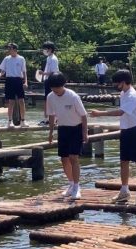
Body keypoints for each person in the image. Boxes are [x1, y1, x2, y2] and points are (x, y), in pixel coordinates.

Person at [89, 69, 136, 205]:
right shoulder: (124, 93)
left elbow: (121, 112)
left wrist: (100, 114)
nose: (116, 86)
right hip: (125, 130)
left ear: (123, 82)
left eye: (117, 83)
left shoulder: (132, 95)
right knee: (124, 161)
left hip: (135, 130)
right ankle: (124, 191)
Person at [47, 72, 88, 200]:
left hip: (75, 128)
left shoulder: (73, 96)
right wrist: (51, 132)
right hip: (62, 128)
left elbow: (84, 115)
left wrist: (84, 132)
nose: (55, 90)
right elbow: (52, 115)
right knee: (64, 159)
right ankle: (70, 184)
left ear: (63, 85)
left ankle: (77, 186)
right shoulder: (50, 97)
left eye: (57, 88)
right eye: (52, 88)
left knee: (73, 158)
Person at [0, 43, 29, 128]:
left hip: (18, 80)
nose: (9, 50)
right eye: (8, 49)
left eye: (10, 48)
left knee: (21, 101)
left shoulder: (21, 58)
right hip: (9, 80)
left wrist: (25, 82)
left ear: (15, 49)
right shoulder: (7, 59)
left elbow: (24, 71)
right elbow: (3, 70)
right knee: (11, 101)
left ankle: (23, 121)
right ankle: (10, 121)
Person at [38, 41, 59, 126]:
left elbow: (54, 72)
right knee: (47, 100)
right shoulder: (48, 58)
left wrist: (43, 73)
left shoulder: (53, 59)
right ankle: (47, 119)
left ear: (50, 49)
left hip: (52, 81)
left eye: (45, 49)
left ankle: (53, 119)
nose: (44, 50)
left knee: (51, 100)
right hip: (47, 80)